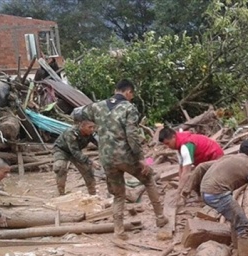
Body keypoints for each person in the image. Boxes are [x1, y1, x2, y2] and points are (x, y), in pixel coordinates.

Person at [82, 79, 168, 240]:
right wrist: (142, 158)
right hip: (126, 156)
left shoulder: (97, 106)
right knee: (149, 178)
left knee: (118, 196)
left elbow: (77, 114)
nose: (131, 98)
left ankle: (119, 231)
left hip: (106, 158)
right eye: (132, 95)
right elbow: (132, 135)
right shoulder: (129, 108)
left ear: (115, 90)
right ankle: (160, 218)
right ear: (128, 92)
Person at [183, 140, 248, 256]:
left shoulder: (227, 158)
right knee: (244, 226)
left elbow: (200, 167)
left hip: (206, 192)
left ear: (239, 151)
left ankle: (237, 249)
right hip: (218, 194)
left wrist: (190, 190)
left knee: (235, 218)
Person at [158, 127, 224, 202]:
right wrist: (180, 186)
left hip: (214, 156)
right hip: (204, 159)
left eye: (168, 143)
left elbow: (186, 172)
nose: (167, 147)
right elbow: (181, 168)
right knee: (198, 175)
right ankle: (201, 197)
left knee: (200, 177)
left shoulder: (185, 146)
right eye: (165, 145)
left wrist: (179, 192)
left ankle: (214, 198)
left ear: (173, 137)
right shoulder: (179, 145)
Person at [52, 114, 99, 196]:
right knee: (60, 167)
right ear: (82, 126)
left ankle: (93, 193)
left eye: (93, 127)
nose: (92, 129)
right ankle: (61, 193)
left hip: (75, 150)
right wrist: (91, 161)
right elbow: (75, 152)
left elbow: (100, 144)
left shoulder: (91, 133)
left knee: (87, 170)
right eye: (90, 127)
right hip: (62, 150)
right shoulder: (71, 133)